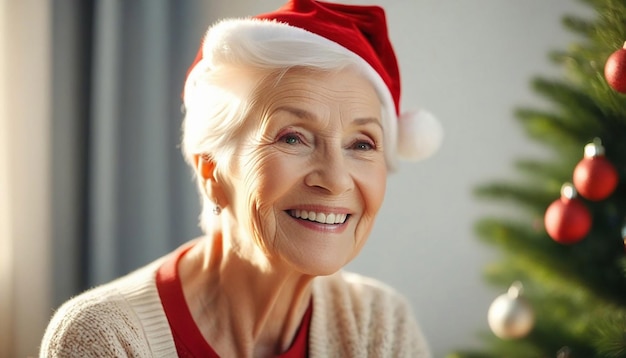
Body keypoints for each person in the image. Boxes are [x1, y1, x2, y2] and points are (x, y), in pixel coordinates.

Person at [40, 0, 443, 356]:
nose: (336, 180)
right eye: (293, 137)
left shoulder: (380, 324)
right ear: (211, 169)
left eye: (362, 144)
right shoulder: (105, 339)